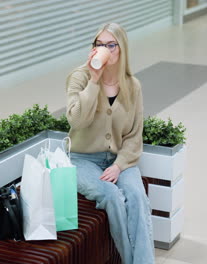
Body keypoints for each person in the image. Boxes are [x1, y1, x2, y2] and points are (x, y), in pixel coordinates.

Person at [65, 23, 154, 264]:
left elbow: (135, 135)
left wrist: (120, 165)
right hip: (82, 159)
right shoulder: (80, 77)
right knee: (111, 196)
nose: (105, 49)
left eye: (111, 45)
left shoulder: (132, 86)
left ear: (122, 49)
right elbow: (77, 120)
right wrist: (94, 81)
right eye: (99, 44)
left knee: (136, 195)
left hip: (119, 160)